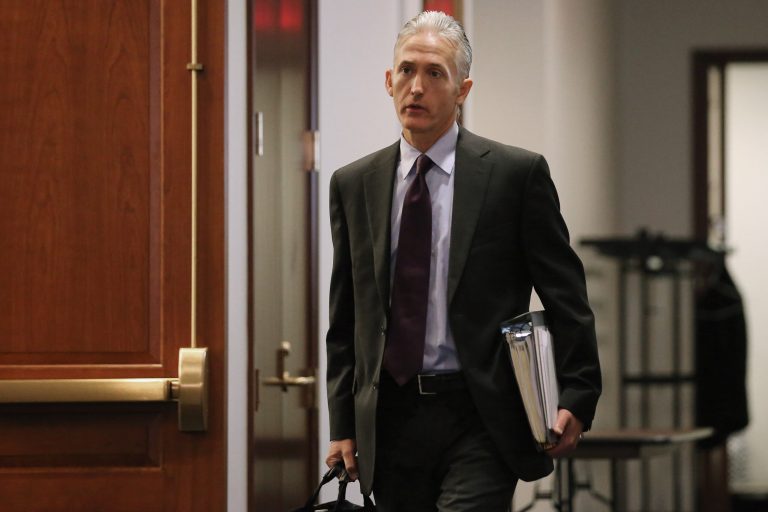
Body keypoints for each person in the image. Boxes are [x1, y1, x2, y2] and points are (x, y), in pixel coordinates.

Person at [325, 11, 601, 512]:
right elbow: (346, 317)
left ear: (462, 90)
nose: (417, 87)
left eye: (435, 73)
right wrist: (342, 423)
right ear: (388, 81)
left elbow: (566, 295)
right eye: (406, 70)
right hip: (392, 416)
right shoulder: (353, 183)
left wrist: (577, 393)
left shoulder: (514, 176)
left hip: (482, 411)